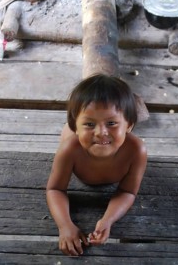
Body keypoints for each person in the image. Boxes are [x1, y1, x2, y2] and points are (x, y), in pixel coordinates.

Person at [46, 74, 147, 256]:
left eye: (111, 123)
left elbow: (128, 192)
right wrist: (65, 225)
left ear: (129, 125)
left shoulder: (136, 151)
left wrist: (107, 220)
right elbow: (55, 189)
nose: (101, 132)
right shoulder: (70, 149)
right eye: (89, 124)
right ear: (76, 127)